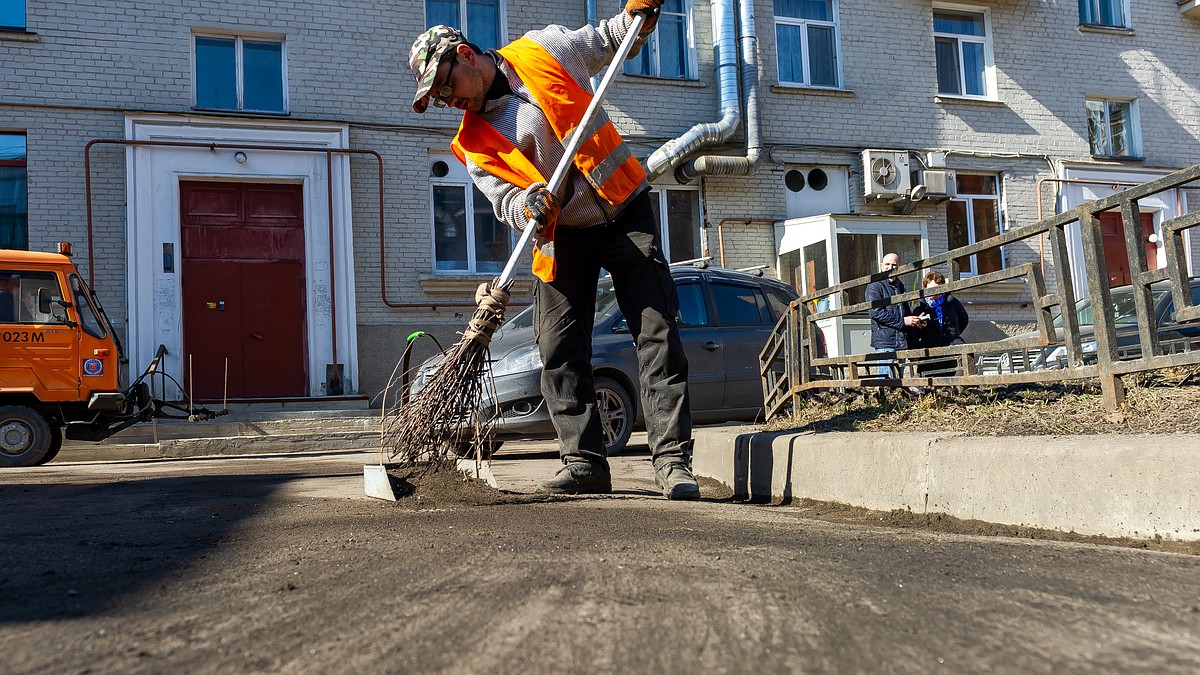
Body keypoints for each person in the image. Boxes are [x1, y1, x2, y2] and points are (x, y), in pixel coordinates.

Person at [408, 0, 701, 499]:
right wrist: (527, 203)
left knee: (656, 332)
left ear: (465, 55)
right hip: (562, 236)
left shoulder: (544, 48)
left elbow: (610, 39)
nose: (445, 99)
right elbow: (501, 199)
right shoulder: (472, 142)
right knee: (559, 349)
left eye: (445, 85)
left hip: (624, 210)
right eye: (435, 96)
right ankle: (585, 461)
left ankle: (672, 461)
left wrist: (641, 19)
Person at [865, 253, 921, 377]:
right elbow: (875, 312)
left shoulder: (900, 287)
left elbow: (906, 312)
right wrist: (903, 321)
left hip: (901, 340)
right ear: (881, 266)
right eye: (887, 264)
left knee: (898, 381)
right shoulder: (875, 286)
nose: (890, 267)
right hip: (885, 341)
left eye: (894, 264)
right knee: (886, 381)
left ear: (899, 267)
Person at [910, 271, 970, 376]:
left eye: (937, 289)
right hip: (930, 346)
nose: (933, 293)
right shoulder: (919, 306)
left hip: (951, 343)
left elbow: (963, 319)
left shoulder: (951, 301)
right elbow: (912, 332)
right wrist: (915, 350)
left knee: (960, 373)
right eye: (930, 289)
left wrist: (953, 333)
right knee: (931, 381)